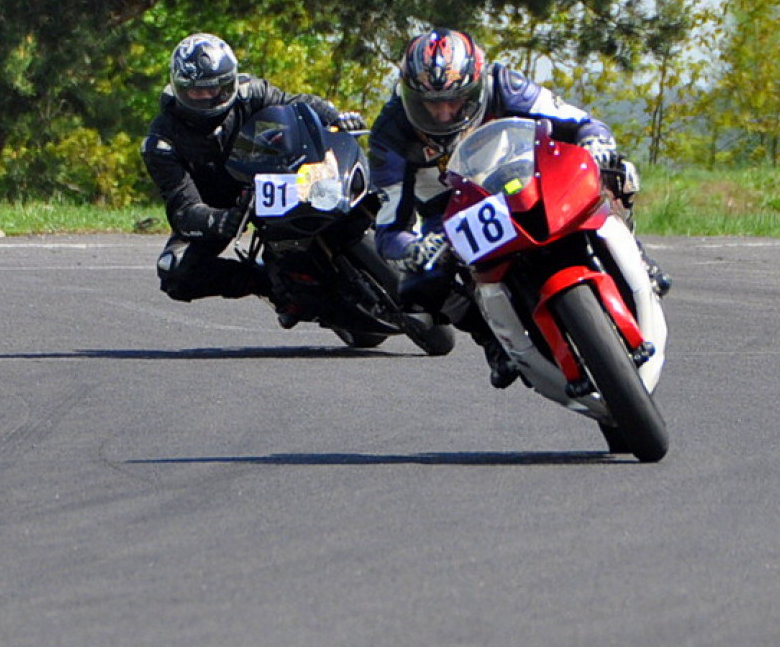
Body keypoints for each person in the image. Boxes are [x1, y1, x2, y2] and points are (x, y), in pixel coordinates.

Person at [368, 27, 671, 389]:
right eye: (431, 104)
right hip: (450, 212)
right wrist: (413, 249)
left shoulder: (504, 84)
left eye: (456, 100)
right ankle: (491, 339)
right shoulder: (390, 131)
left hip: (520, 175)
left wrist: (595, 141)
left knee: (612, 169)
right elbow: (389, 229)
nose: (445, 114)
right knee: (419, 285)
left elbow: (580, 122)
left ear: (477, 85)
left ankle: (634, 253)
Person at [140, 33, 365, 310]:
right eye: (195, 91)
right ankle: (265, 283)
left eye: (215, 89)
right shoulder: (161, 141)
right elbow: (182, 209)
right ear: (178, 88)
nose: (207, 97)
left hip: (269, 176)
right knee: (175, 271)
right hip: (218, 205)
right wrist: (219, 220)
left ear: (230, 82)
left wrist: (335, 117)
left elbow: (297, 104)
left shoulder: (249, 92)